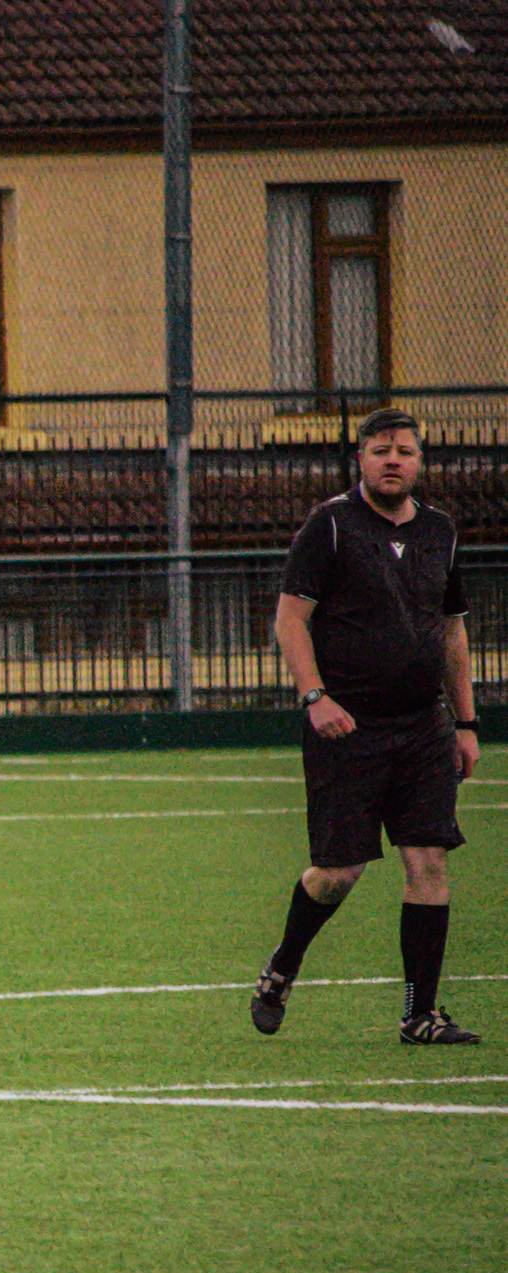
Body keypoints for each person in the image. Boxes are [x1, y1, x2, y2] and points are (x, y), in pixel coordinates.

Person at [250, 408, 481, 1044]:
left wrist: (465, 721)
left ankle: (420, 1015)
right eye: (381, 450)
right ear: (361, 459)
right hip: (346, 727)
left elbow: (453, 629)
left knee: (428, 861)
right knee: (338, 872)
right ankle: (283, 966)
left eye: (405, 451)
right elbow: (290, 619)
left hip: (424, 727)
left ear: (420, 461)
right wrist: (315, 696)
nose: (393, 461)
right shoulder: (330, 525)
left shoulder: (440, 531)